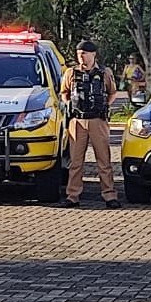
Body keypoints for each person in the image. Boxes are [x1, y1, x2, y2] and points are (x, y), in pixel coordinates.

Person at [60, 40, 121, 209]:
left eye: (84, 54)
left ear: (93, 54)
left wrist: (106, 105)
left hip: (97, 120)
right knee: (76, 161)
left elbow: (113, 92)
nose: (82, 58)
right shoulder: (71, 73)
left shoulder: (104, 73)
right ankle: (73, 196)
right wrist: (68, 104)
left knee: (104, 160)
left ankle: (109, 195)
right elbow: (64, 92)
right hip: (77, 121)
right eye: (79, 54)